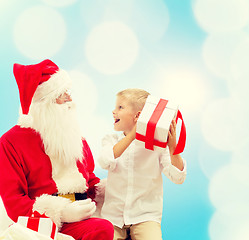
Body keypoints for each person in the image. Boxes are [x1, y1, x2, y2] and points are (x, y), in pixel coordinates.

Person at [0, 59, 114, 240]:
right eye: (62, 94)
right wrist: (62, 212)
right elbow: (14, 202)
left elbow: (89, 178)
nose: (70, 99)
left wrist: (112, 189)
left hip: (84, 216)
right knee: (102, 229)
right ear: (44, 102)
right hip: (42, 225)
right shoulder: (11, 141)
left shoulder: (74, 136)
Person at [98, 88, 187, 240]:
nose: (114, 111)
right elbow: (104, 161)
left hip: (145, 216)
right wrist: (132, 136)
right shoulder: (111, 140)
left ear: (138, 116)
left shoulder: (157, 146)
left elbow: (178, 178)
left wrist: (173, 148)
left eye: (120, 107)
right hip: (113, 217)